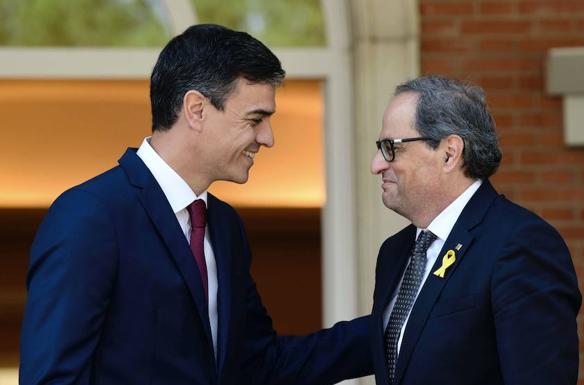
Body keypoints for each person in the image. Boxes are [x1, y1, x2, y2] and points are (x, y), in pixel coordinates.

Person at [20, 24, 371, 385]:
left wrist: (396, 326)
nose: (267, 138)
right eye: (255, 119)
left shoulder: (225, 226)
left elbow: (261, 365)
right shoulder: (90, 216)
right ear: (197, 109)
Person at [368, 75, 581, 385]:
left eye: (391, 148)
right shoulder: (396, 252)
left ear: (449, 153)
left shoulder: (520, 244)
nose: (377, 164)